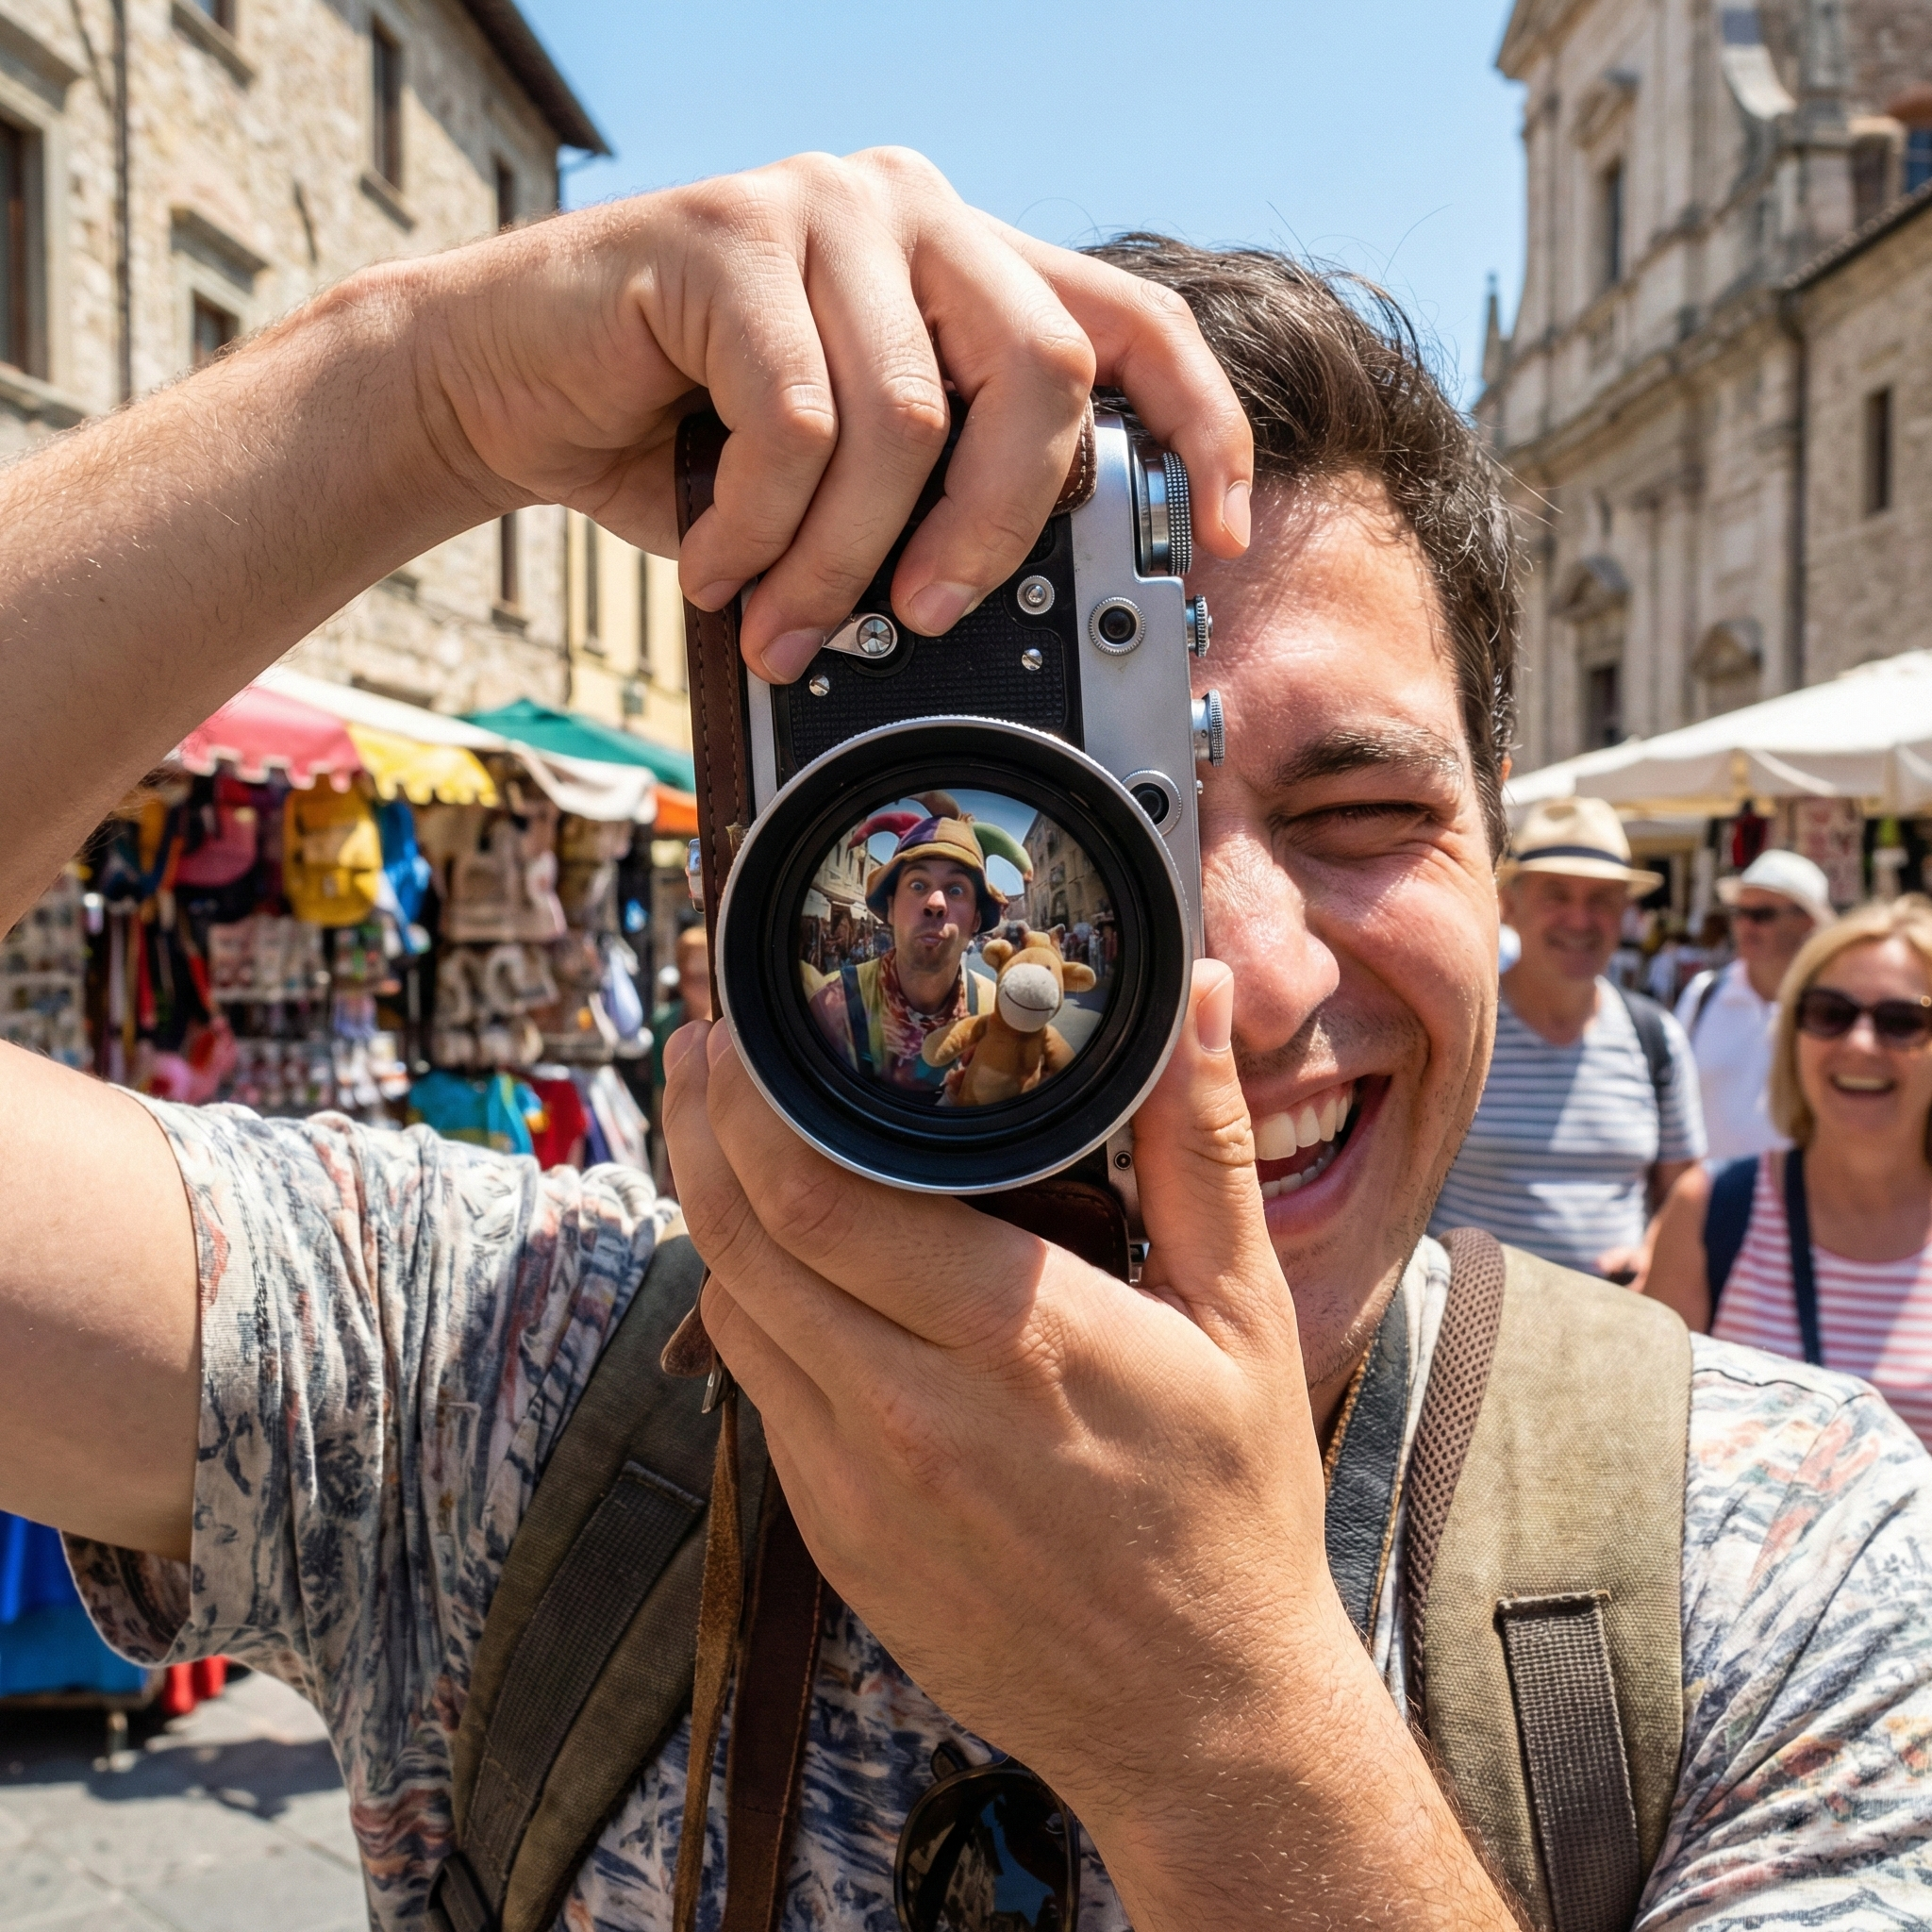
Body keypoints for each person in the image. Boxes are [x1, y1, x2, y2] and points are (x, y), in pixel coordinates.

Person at [0, 154, 1926, 1932]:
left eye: (1357, 821)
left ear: (1498, 853)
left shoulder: (1785, 1562)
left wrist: (1224, 1732)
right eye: (1056, 835)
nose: (1221, 987)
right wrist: (420, 387)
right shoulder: (498, 1370)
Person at [1647, 895, 1932, 1443]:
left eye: (1902, 1022)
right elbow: (1648, 1447)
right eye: (1830, 1012)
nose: (1860, 1043)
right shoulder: (1710, 1210)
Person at [1431, 796, 1707, 1279]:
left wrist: (1653, 1256)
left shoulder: (1656, 1038)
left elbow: (1683, 1186)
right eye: (1557, 895)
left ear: (1623, 912)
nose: (1579, 920)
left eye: (1600, 899)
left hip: (1612, 1333)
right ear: (1509, 906)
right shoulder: (1461, 1027)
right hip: (1467, 1334)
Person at [808, 810, 1000, 1095]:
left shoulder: (996, 1010)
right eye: (918, 885)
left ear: (975, 920)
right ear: (891, 907)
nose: (935, 903)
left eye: (956, 889)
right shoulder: (833, 1006)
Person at [1674, 849, 1833, 1160]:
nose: (1745, 925)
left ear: (1807, 921)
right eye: (1738, 913)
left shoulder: (1833, 1008)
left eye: (1761, 915)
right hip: (1711, 1199)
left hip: (1803, 1201)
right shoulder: (1704, 994)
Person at [650, 924, 711, 1193]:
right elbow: (660, 1094)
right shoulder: (665, 1022)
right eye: (691, 977)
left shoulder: (733, 1025)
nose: (698, 987)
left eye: (706, 978)